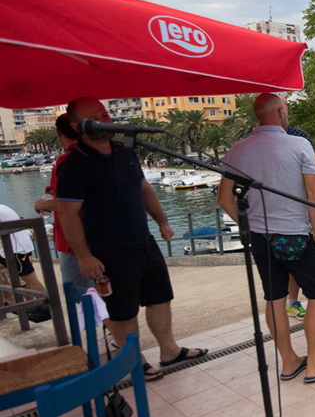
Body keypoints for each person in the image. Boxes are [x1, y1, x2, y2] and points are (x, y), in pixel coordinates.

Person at [58, 97, 207, 382]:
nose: (105, 121)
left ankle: (169, 350)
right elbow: (68, 213)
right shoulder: (74, 164)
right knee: (123, 311)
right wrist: (84, 256)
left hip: (143, 240)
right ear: (77, 126)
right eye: (95, 118)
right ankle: (133, 361)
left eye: (105, 114)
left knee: (160, 297)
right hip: (109, 249)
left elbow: (143, 188)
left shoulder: (123, 151)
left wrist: (162, 222)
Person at [219, 93, 315, 383]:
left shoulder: (238, 150)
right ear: (280, 111)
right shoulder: (299, 144)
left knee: (274, 297)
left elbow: (224, 198)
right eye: (286, 109)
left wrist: (249, 225)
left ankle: (289, 361)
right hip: (295, 234)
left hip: (260, 236)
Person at [35, 114, 87, 290]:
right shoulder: (96, 154)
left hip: (74, 242)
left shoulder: (67, 160)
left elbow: (70, 204)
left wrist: (42, 205)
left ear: (59, 133)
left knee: (78, 295)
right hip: (99, 237)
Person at [284, 124, 315, 321]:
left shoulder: (299, 135)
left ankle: (292, 302)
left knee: (298, 258)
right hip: (282, 214)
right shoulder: (255, 139)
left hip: (300, 210)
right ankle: (290, 303)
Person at [0, 203, 50, 322]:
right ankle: (11, 301)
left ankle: (46, 308)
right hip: (5, 248)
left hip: (16, 249)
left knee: (29, 280)